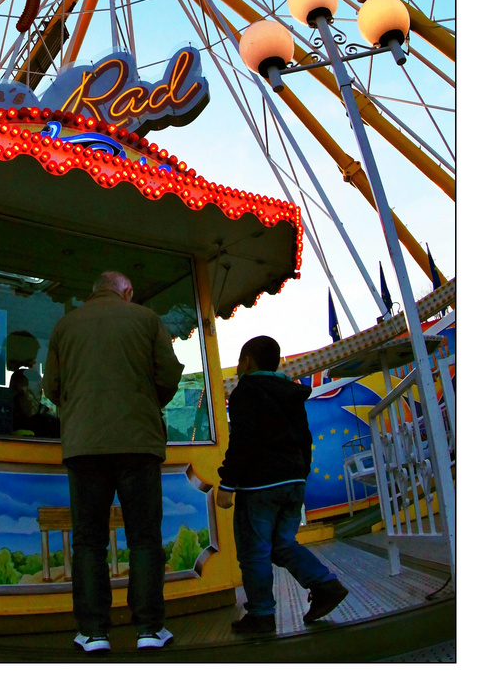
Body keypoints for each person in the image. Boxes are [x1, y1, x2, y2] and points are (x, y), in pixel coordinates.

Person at [43, 271, 184, 653]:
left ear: (94, 291)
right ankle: (149, 629)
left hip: (84, 446)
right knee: (144, 539)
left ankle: (93, 632)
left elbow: (51, 387)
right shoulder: (146, 319)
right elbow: (168, 375)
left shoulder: (64, 326)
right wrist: (143, 403)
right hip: (138, 444)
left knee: (88, 542)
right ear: (128, 292)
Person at [216, 335, 349, 635]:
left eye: (239, 360)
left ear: (248, 361)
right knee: (282, 544)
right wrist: (300, 473)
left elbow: (243, 440)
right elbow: (305, 438)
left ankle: (261, 614)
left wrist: (228, 482)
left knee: (254, 551)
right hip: (293, 481)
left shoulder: (245, 392)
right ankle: (325, 584)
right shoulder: (291, 393)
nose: (238, 367)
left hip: (260, 486)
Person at [6, 330, 59, 437]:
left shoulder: (49, 422)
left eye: (38, 394)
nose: (33, 399)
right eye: (27, 393)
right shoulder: (2, 419)